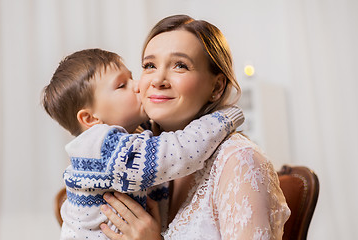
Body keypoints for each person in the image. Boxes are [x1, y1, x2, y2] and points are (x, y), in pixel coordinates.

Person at [99, 15, 291, 240]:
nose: (158, 80)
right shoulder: (137, 159)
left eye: (180, 66)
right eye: (149, 65)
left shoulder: (240, 161)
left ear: (217, 87)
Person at [41, 48, 245, 239]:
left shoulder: (123, 139)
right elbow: (179, 150)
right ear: (90, 118)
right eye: (122, 85)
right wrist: (223, 118)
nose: (138, 85)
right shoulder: (105, 148)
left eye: (132, 77)